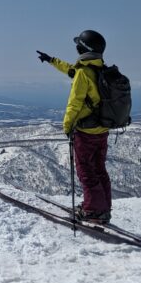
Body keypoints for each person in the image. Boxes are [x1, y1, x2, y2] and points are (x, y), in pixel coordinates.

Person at [36, 30, 112, 224]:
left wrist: (67, 125)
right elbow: (71, 69)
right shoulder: (100, 70)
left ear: (83, 49)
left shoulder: (83, 74)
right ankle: (102, 208)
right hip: (102, 129)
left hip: (86, 131)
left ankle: (93, 210)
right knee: (99, 168)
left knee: (85, 170)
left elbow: (74, 103)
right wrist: (51, 60)